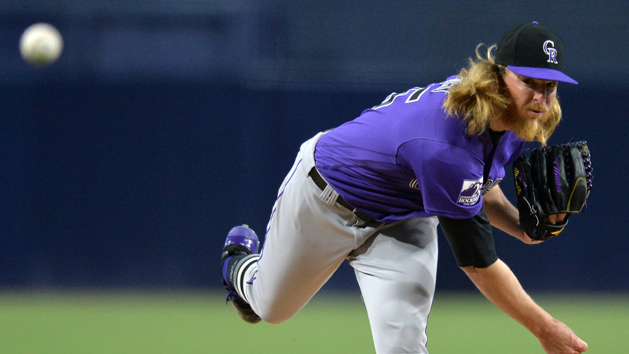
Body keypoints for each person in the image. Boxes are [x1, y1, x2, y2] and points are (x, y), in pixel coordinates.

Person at [220, 21, 589, 354]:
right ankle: (239, 261)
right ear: (498, 76)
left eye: (550, 86)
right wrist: (545, 329)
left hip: (403, 217)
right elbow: (479, 263)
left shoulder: (510, 119)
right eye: (529, 82)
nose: (541, 97)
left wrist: (524, 229)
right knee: (269, 307)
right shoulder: (447, 142)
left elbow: (477, 184)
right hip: (326, 197)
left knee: (403, 348)